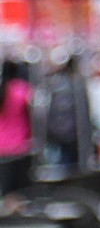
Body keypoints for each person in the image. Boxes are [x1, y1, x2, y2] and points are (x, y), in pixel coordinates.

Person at [0, 60, 33, 198]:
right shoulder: (21, 89)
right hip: (19, 145)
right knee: (18, 187)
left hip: (2, 145)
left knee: (5, 184)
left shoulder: (3, 89)